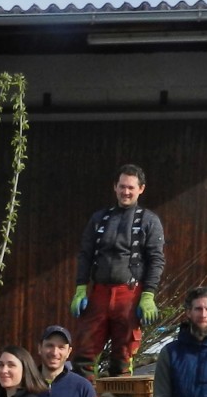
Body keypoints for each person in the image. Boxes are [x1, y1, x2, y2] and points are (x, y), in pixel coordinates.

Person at [71, 163, 166, 380]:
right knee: (84, 353)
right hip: (99, 293)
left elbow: (156, 260)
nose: (126, 192)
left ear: (141, 189)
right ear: (115, 187)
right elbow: (85, 254)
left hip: (130, 294)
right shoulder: (98, 219)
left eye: (131, 187)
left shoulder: (150, 221)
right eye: (122, 186)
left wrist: (149, 294)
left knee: (122, 356)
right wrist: (80, 289)